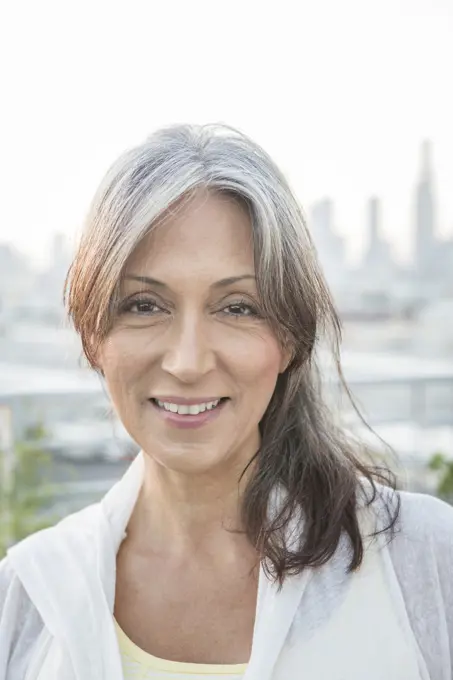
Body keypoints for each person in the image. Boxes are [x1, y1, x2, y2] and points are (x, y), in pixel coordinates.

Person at [0, 125, 452, 680]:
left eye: (237, 308)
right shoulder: (31, 595)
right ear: (94, 335)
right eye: (145, 305)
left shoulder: (423, 559)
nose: (187, 362)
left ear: (289, 336)